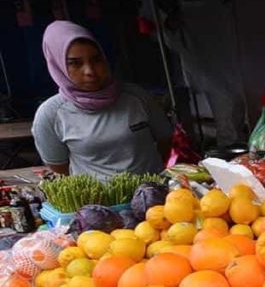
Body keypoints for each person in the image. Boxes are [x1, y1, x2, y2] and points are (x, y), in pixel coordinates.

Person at [32, 21, 172, 178]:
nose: (90, 71)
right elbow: (60, 168)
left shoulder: (137, 97)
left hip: (154, 196)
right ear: (58, 66)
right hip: (97, 201)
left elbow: (165, 141)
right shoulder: (50, 114)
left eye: (96, 60)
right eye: (75, 64)